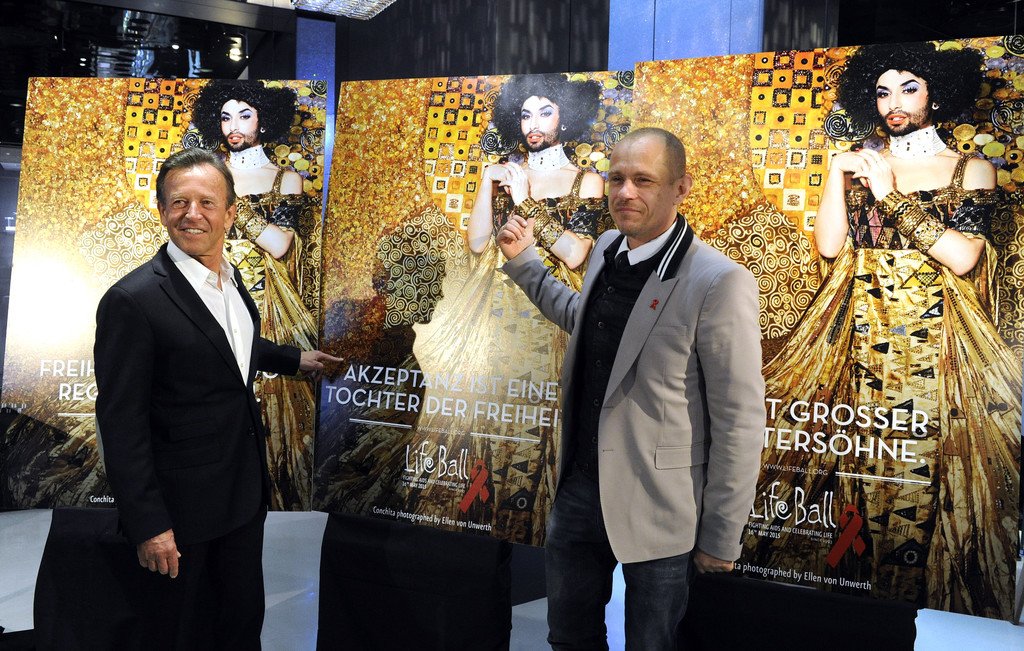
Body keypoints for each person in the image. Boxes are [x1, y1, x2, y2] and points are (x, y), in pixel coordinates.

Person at [746, 42, 1021, 618]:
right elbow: (829, 247)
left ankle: (911, 601)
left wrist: (890, 195)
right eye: (882, 91)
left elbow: (964, 257)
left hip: (937, 341)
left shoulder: (971, 169)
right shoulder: (861, 163)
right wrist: (835, 173)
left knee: (925, 463)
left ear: (936, 94)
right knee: (854, 459)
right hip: (859, 333)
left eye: (909, 88)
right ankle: (851, 599)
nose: (894, 102)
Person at [497, 127, 765, 649]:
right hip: (579, 492)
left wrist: (721, 534)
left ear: (681, 188)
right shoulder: (605, 248)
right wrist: (526, 263)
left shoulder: (717, 280)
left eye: (643, 180)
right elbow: (586, 320)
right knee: (567, 638)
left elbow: (739, 419)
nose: (625, 192)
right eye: (617, 178)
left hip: (660, 508)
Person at [94, 148, 339, 648]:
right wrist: (149, 525)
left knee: (240, 625)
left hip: (242, 497)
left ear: (230, 213)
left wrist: (295, 359)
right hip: (181, 515)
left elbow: (229, 345)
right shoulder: (132, 301)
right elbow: (120, 424)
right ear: (162, 210)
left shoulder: (230, 278)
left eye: (207, 202)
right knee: (183, 633)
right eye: (179, 202)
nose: (193, 214)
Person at [406, 75, 611, 543]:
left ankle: (532, 522)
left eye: (545, 111)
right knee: (486, 410)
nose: (533, 123)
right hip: (495, 311)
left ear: (566, 117)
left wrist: (526, 203)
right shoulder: (506, 173)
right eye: (525, 113)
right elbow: (479, 242)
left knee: (539, 414)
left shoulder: (587, 180)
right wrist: (487, 182)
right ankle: (477, 515)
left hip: (548, 312)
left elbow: (575, 254)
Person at [192, 80, 319, 510]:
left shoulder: (285, 179)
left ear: (264, 120)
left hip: (264, 305)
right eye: (225, 116)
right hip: (207, 297)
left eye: (244, 115)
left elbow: (281, 245)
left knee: (267, 406)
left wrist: (233, 204)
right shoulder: (204, 176)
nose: (234, 125)